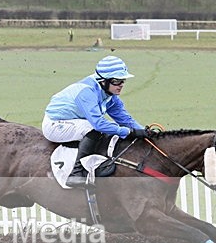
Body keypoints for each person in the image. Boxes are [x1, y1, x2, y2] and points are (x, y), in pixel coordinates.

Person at [42, 55, 148, 188]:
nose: (120, 85)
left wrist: (144, 131)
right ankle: (76, 174)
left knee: (106, 131)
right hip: (55, 125)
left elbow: (125, 119)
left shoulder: (110, 95)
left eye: (123, 81)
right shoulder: (87, 92)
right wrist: (128, 132)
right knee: (95, 129)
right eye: (116, 81)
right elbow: (99, 124)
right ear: (103, 81)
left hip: (74, 122)